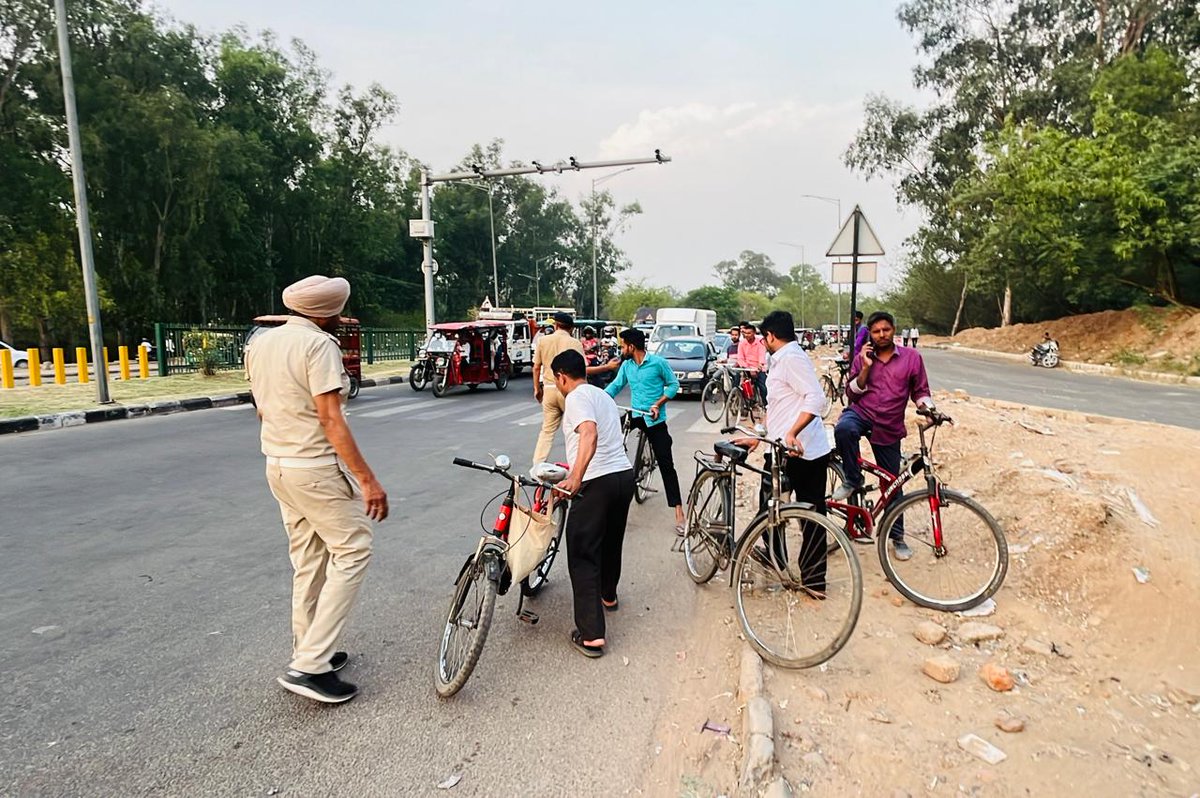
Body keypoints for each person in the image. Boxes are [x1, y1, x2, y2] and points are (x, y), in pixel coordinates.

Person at [245, 274, 389, 704]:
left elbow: (260, 409)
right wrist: (367, 480)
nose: (342, 320)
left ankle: (311, 649)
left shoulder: (261, 343)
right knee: (353, 549)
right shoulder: (319, 346)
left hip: (278, 466)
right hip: (313, 468)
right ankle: (308, 666)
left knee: (309, 559)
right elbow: (331, 419)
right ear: (327, 314)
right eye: (339, 312)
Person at [733, 310, 832, 595]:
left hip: (802, 452)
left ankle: (814, 583)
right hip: (780, 450)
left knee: (810, 515)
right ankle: (777, 560)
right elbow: (779, 407)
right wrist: (759, 436)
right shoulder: (781, 359)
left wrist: (792, 433)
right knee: (770, 506)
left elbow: (816, 399)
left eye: (764, 337)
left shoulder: (792, 359)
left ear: (771, 336)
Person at [832, 311, 937, 561]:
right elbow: (852, 393)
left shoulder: (912, 358)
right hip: (861, 413)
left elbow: (920, 391)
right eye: (876, 331)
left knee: (891, 483)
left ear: (894, 330)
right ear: (870, 333)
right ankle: (852, 479)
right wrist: (866, 368)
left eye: (886, 330)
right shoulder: (862, 358)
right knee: (843, 429)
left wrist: (929, 409)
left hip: (889, 424)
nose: (881, 335)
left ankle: (897, 536)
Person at [551, 349, 635, 658]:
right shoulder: (603, 396)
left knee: (583, 553)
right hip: (623, 477)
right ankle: (608, 595)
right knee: (611, 541)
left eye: (556, 380)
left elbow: (589, 434)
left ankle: (591, 635)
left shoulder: (575, 398)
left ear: (562, 377)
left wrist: (575, 477)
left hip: (596, 481)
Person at [604, 328, 686, 534]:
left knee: (667, 464)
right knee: (610, 440)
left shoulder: (658, 363)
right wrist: (599, 400)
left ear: (632, 346)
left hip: (655, 419)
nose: (621, 349)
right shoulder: (627, 366)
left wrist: (658, 403)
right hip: (636, 415)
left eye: (623, 346)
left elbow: (673, 385)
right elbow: (615, 386)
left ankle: (679, 512)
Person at [531, 312, 585, 465]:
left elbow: (536, 368)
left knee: (547, 431)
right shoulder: (575, 343)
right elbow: (583, 371)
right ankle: (576, 466)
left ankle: (538, 466)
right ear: (571, 328)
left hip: (549, 389)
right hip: (569, 391)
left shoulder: (543, 341)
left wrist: (537, 388)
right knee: (575, 432)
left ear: (555, 325)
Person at [736, 321, 769, 404]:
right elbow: (740, 358)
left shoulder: (760, 342)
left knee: (763, 387)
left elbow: (762, 356)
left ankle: (766, 406)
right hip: (746, 368)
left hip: (758, 367)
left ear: (754, 333)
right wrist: (747, 368)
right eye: (745, 333)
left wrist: (757, 367)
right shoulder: (742, 343)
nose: (747, 335)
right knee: (738, 383)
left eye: (749, 333)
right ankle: (738, 402)